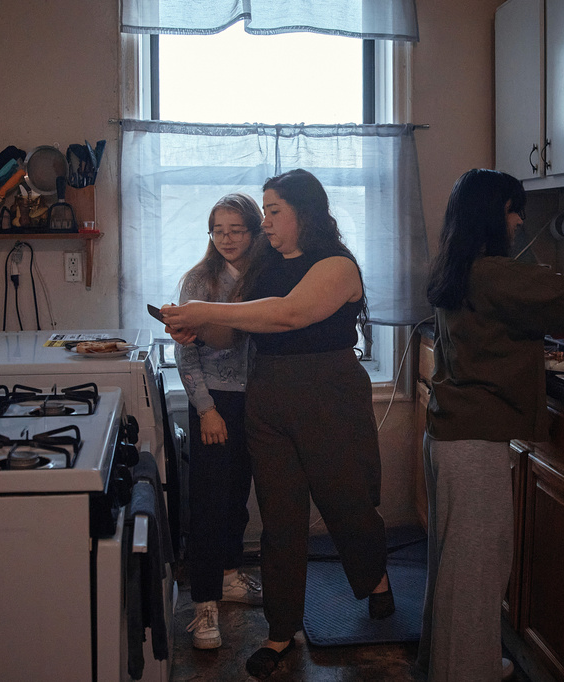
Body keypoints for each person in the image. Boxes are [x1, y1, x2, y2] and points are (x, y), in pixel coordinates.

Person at [162, 169, 393, 680]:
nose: (263, 222)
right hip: (268, 394)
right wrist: (195, 332)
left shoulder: (336, 265)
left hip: (328, 391)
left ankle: (375, 578)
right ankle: (281, 631)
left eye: (272, 211)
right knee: (280, 519)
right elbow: (239, 332)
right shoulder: (264, 266)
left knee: (346, 503)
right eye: (264, 211)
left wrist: (201, 309)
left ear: (303, 213)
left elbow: (289, 315)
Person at [419, 169, 564, 681]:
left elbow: (518, 315)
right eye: (514, 209)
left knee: (456, 569)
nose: (519, 220)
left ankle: (456, 665)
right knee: (478, 573)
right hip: (473, 444)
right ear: (493, 214)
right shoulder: (495, 271)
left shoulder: (463, 266)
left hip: (452, 435)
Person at [174, 193, 266, 651]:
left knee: (235, 498)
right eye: (218, 230)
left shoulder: (267, 277)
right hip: (214, 404)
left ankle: (230, 576)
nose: (226, 238)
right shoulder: (199, 280)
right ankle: (204, 605)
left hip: (260, 402)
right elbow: (184, 351)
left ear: (254, 231)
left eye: (236, 229)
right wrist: (206, 408)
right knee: (209, 503)